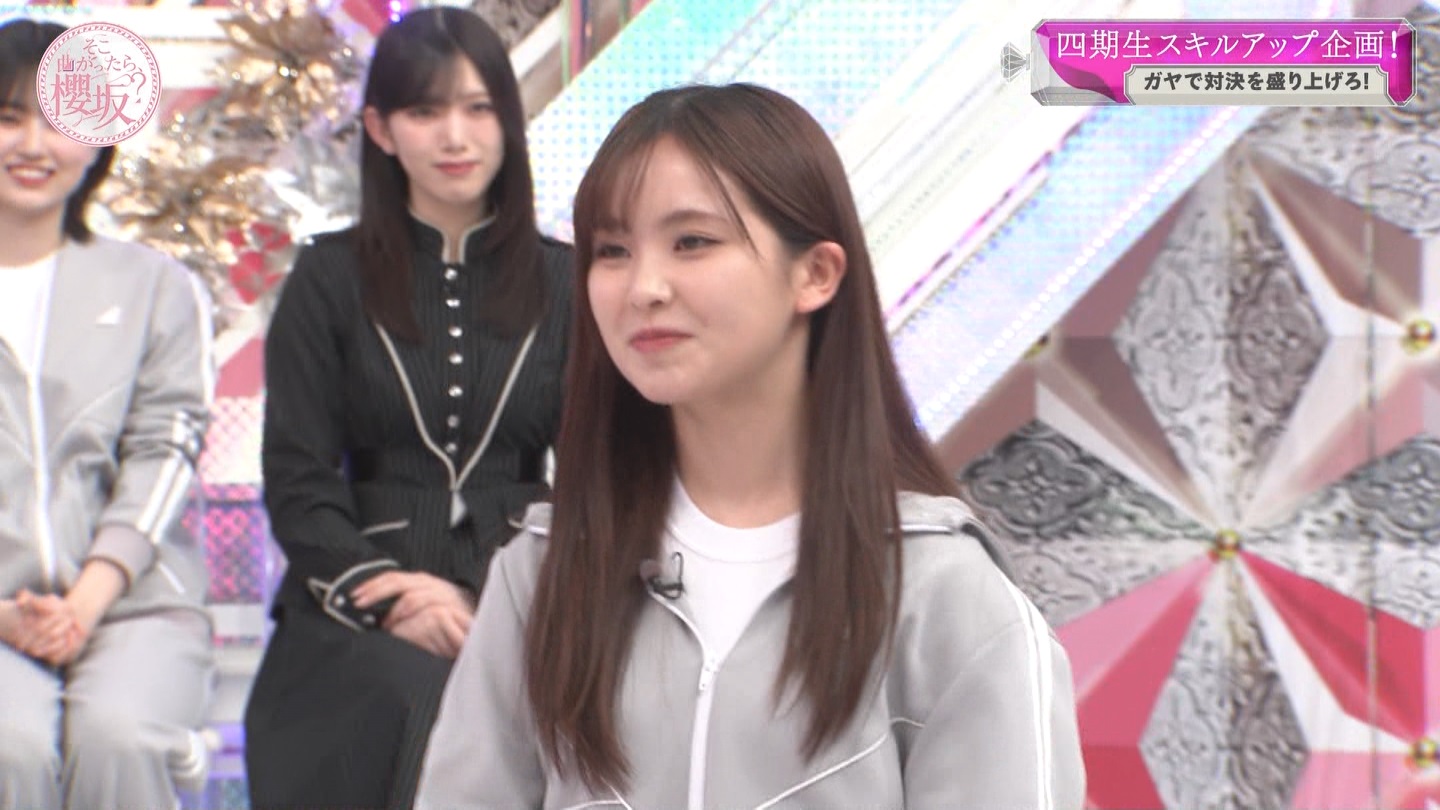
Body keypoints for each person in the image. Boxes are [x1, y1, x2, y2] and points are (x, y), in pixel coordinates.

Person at [416, 83, 1085, 808]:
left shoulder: (944, 594)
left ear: (816, 273)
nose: (643, 287)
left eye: (692, 242)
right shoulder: (542, 576)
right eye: (612, 251)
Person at [242, 6, 573, 809]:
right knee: (408, 697)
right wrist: (390, 592)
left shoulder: (568, 282)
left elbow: (602, 473)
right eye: (426, 112)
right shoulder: (327, 279)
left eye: (478, 108)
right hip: (356, 589)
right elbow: (297, 475)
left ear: (508, 120)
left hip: (526, 585)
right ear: (381, 130)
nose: (456, 137)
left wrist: (494, 596)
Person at [0, 17, 217, 810]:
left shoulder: (155, 286)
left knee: (119, 737)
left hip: (136, 608)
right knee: (9, 748)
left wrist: (85, 603)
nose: (33, 145)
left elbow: (166, 448)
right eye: (7, 118)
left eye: (57, 120)